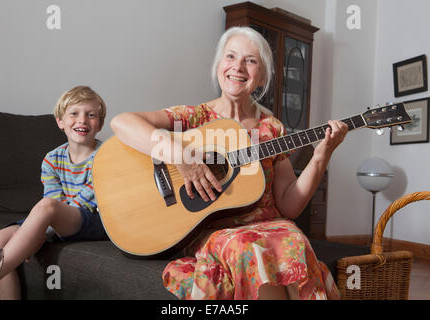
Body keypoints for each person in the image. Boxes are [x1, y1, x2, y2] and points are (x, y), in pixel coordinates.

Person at [111, 26, 348, 300]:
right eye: (231, 56)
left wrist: (322, 155)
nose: (238, 67)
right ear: (218, 66)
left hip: (270, 224)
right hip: (215, 230)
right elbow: (121, 122)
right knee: (247, 245)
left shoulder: (272, 128)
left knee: (293, 239)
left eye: (251, 60)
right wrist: (180, 156)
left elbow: (290, 205)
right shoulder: (194, 117)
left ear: (261, 77)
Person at [0, 86, 108, 299]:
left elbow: (82, 204)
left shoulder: (106, 157)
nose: (83, 120)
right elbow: (53, 197)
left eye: (91, 114)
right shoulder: (52, 158)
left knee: (46, 207)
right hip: (55, 216)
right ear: (60, 122)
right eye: (74, 113)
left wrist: (45, 232)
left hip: (91, 219)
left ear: (100, 124)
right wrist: (38, 231)